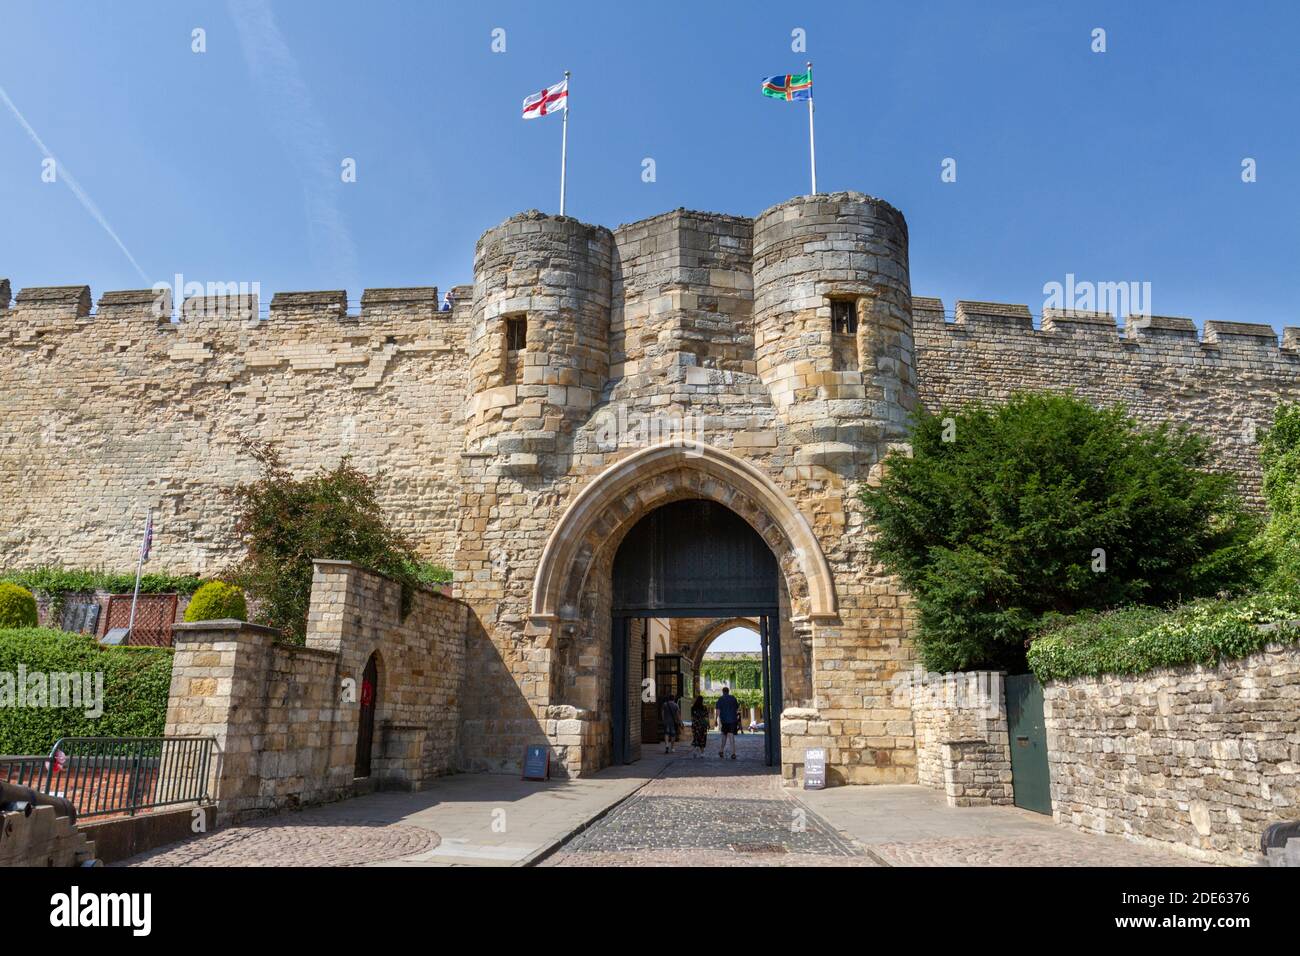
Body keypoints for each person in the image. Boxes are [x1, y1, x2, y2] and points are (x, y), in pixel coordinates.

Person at [716, 686, 740, 759]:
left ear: (723, 692)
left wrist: (715, 720)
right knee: (731, 736)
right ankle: (733, 753)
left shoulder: (720, 699)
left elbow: (718, 711)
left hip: (724, 720)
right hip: (733, 720)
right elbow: (737, 708)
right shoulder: (733, 698)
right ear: (728, 691)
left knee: (724, 735)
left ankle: (721, 750)